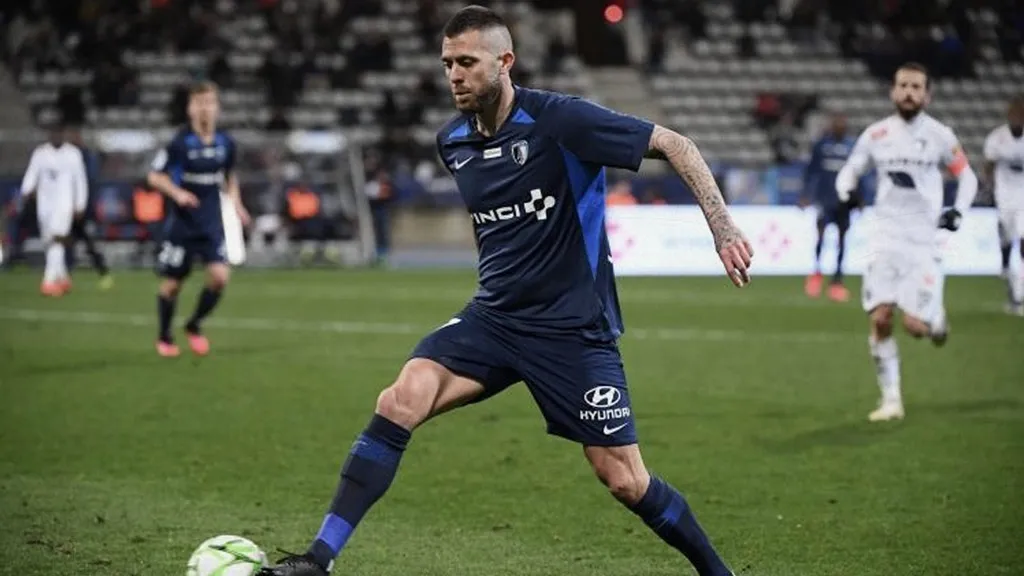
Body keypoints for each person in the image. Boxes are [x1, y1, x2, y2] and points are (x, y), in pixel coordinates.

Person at [258, 6, 751, 576]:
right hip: (494, 320)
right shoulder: (454, 143)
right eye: (447, 64)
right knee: (399, 400)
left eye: (467, 62)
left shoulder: (561, 120)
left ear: (505, 62)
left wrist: (723, 227)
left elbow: (678, 145)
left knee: (623, 479)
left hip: (571, 329)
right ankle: (317, 561)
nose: (454, 75)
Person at [835, 62, 978, 422]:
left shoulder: (941, 136)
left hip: (923, 242)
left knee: (914, 326)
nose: (909, 92)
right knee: (881, 319)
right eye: (903, 85)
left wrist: (957, 211)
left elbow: (968, 178)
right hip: (885, 238)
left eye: (916, 87)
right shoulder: (876, 134)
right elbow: (850, 169)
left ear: (927, 94)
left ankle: (936, 323)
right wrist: (847, 191)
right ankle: (891, 400)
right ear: (893, 91)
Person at [146, 81, 250, 357]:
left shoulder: (225, 143)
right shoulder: (179, 143)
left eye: (210, 102)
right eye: (199, 103)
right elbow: (154, 176)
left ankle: (194, 325)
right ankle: (165, 336)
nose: (205, 108)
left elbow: (229, 177)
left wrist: (237, 204)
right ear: (190, 108)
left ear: (217, 108)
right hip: (183, 224)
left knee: (219, 277)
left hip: (211, 222)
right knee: (172, 284)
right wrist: (177, 193)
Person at [19, 122, 88, 296]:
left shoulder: (73, 154)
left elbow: (80, 180)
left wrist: (80, 204)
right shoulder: (41, 154)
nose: (56, 136)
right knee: (49, 241)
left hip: (65, 204)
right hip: (45, 205)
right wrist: (27, 190)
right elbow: (31, 176)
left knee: (58, 239)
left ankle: (48, 281)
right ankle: (63, 277)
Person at [802, 112, 857, 301]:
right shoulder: (822, 145)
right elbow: (811, 170)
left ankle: (837, 282)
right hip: (825, 199)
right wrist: (806, 194)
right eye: (837, 124)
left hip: (845, 202)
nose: (839, 127)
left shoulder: (852, 147)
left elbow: (859, 173)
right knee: (821, 237)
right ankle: (816, 275)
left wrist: (862, 197)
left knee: (842, 241)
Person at [982, 96, 1024, 315]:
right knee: (1007, 235)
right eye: (1013, 115)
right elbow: (988, 165)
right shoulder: (997, 138)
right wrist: (988, 186)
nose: (1017, 119)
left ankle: (1019, 290)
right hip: (1005, 194)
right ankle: (1006, 266)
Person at [65, 127, 114, 290]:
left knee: (85, 243)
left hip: (82, 210)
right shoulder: (70, 157)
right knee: (70, 243)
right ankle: (66, 274)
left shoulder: (84, 157)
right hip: (69, 208)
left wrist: (82, 206)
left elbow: (87, 182)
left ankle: (102, 272)